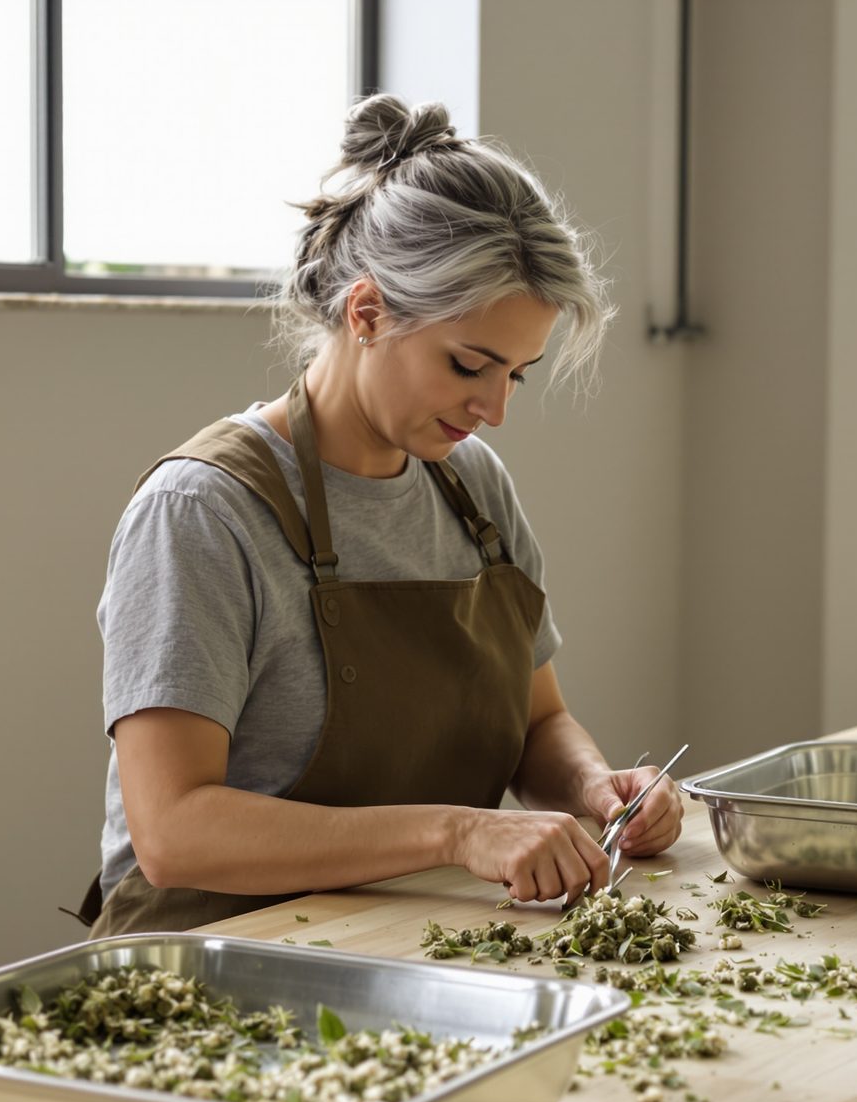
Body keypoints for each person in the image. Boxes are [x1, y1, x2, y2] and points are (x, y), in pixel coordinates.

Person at [70, 94, 683, 937]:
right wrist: (459, 832)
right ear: (367, 313)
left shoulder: (472, 489)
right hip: (213, 960)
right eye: (469, 366)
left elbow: (538, 721)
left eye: (516, 375)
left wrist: (593, 787)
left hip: (411, 939)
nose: (495, 410)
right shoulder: (203, 511)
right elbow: (174, 833)